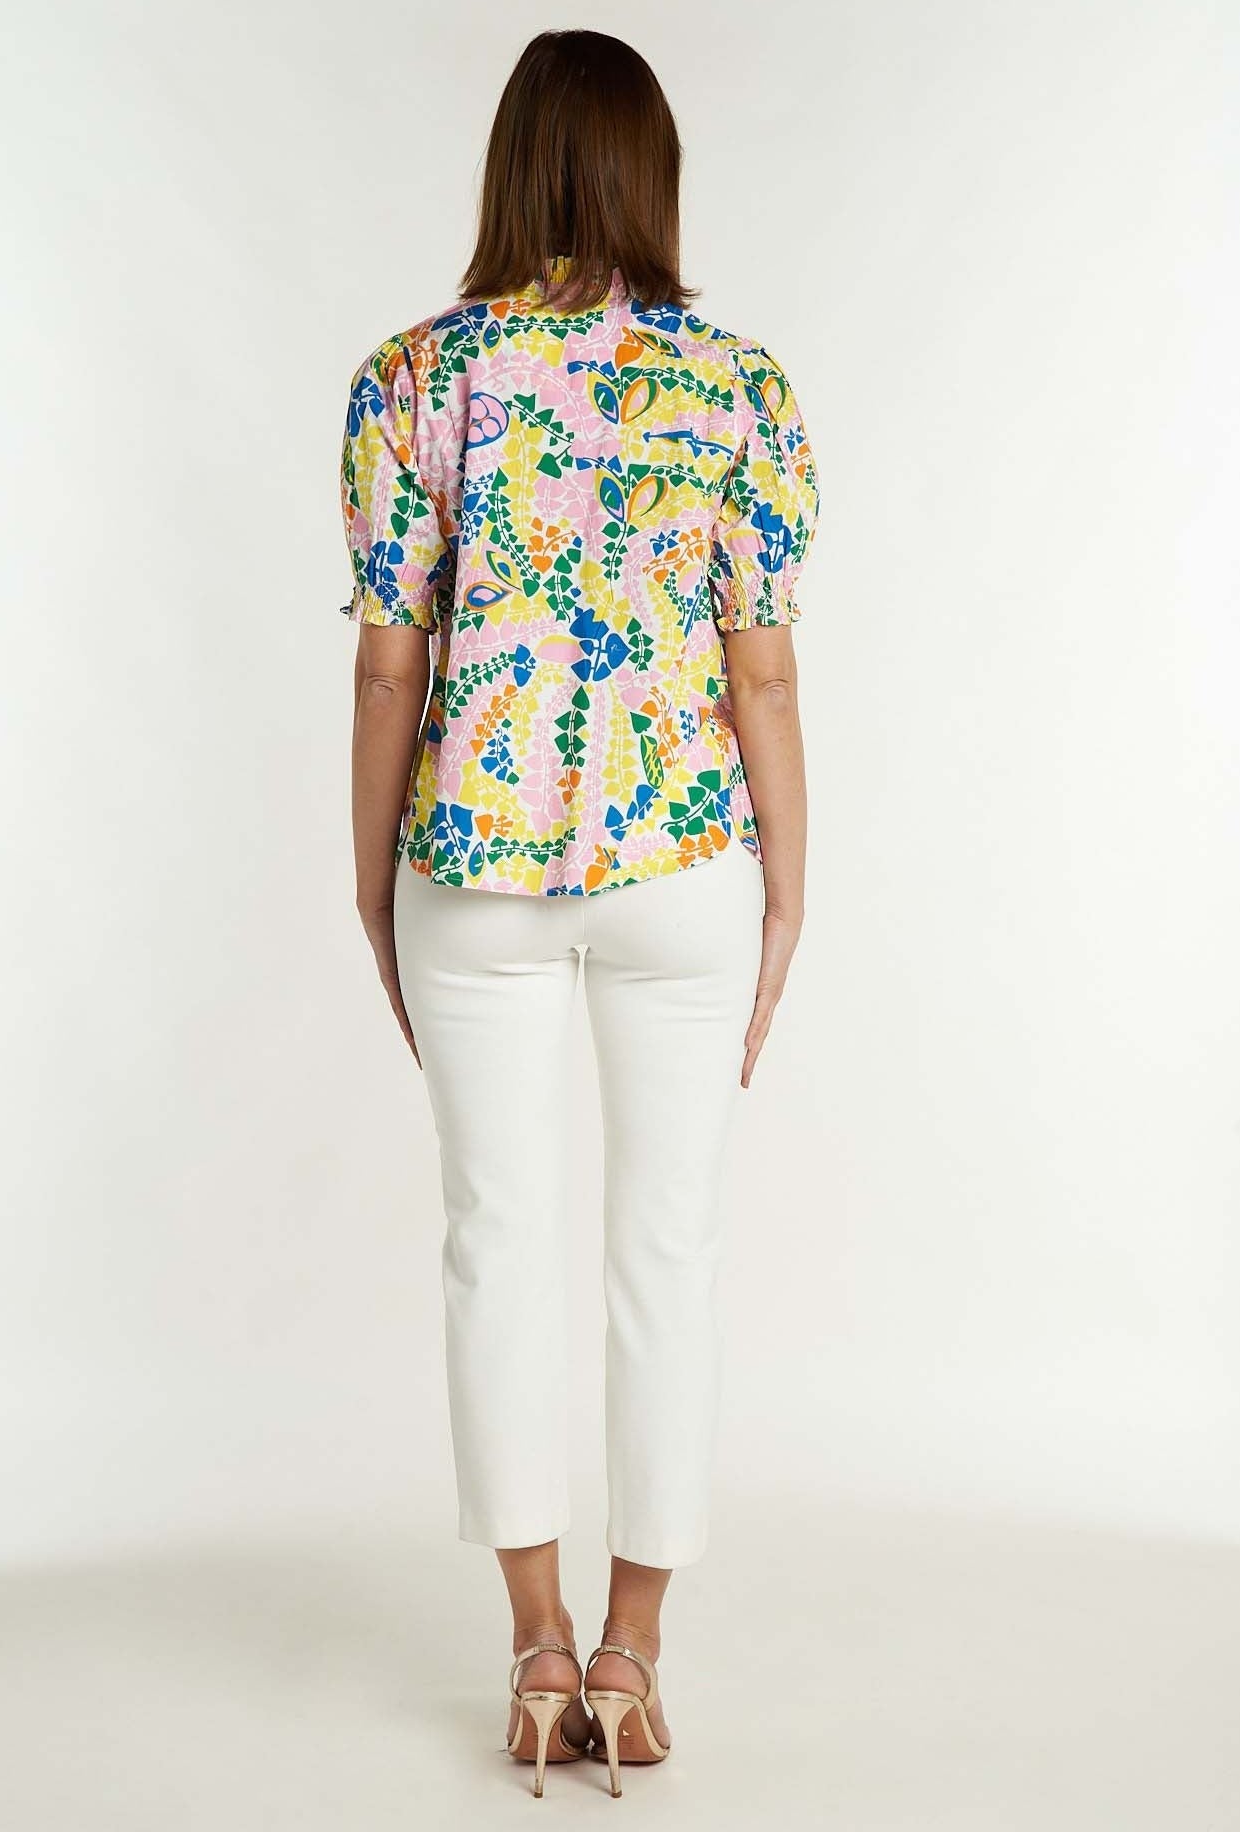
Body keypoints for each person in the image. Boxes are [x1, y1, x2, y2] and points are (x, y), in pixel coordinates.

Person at [338, 27, 820, 1798]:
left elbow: (388, 669)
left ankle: (535, 1652)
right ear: (648, 175)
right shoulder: (737, 386)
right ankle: (634, 1653)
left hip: (467, 864)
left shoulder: (412, 375)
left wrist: (370, 877)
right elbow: (760, 674)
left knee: (493, 1236)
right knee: (664, 1250)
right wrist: (788, 889)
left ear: (510, 166)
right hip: (684, 865)